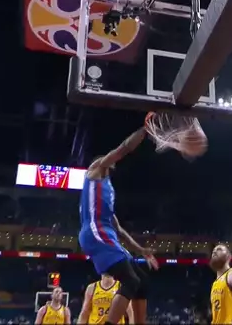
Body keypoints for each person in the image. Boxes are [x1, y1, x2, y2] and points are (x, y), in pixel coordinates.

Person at [78, 127, 159, 325]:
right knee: (131, 280)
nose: (113, 162)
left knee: (142, 282)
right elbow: (124, 148)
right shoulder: (96, 170)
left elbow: (119, 229)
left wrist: (141, 250)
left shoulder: (107, 189)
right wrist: (144, 130)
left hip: (105, 234)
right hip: (95, 232)